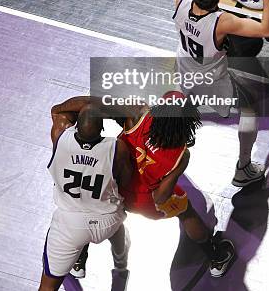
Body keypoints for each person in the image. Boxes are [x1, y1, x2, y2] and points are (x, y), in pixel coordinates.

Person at [53, 94, 236, 279]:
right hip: (144, 203)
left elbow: (92, 103)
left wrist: (59, 108)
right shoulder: (181, 154)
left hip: (113, 190)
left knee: (87, 214)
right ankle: (217, 257)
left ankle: (78, 260)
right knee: (186, 211)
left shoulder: (137, 115)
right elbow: (161, 197)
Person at [174, 0, 269, 186]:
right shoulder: (221, 22)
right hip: (212, 80)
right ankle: (243, 167)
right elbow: (267, 30)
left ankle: (181, 135)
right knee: (250, 109)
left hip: (183, 70)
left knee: (183, 102)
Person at [38, 103, 132, 291]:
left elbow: (58, 109)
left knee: (47, 286)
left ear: (76, 126)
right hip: (106, 221)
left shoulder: (60, 136)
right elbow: (126, 183)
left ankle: (78, 260)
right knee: (118, 222)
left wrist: (93, 101)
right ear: (103, 128)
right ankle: (121, 264)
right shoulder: (117, 148)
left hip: (70, 225)